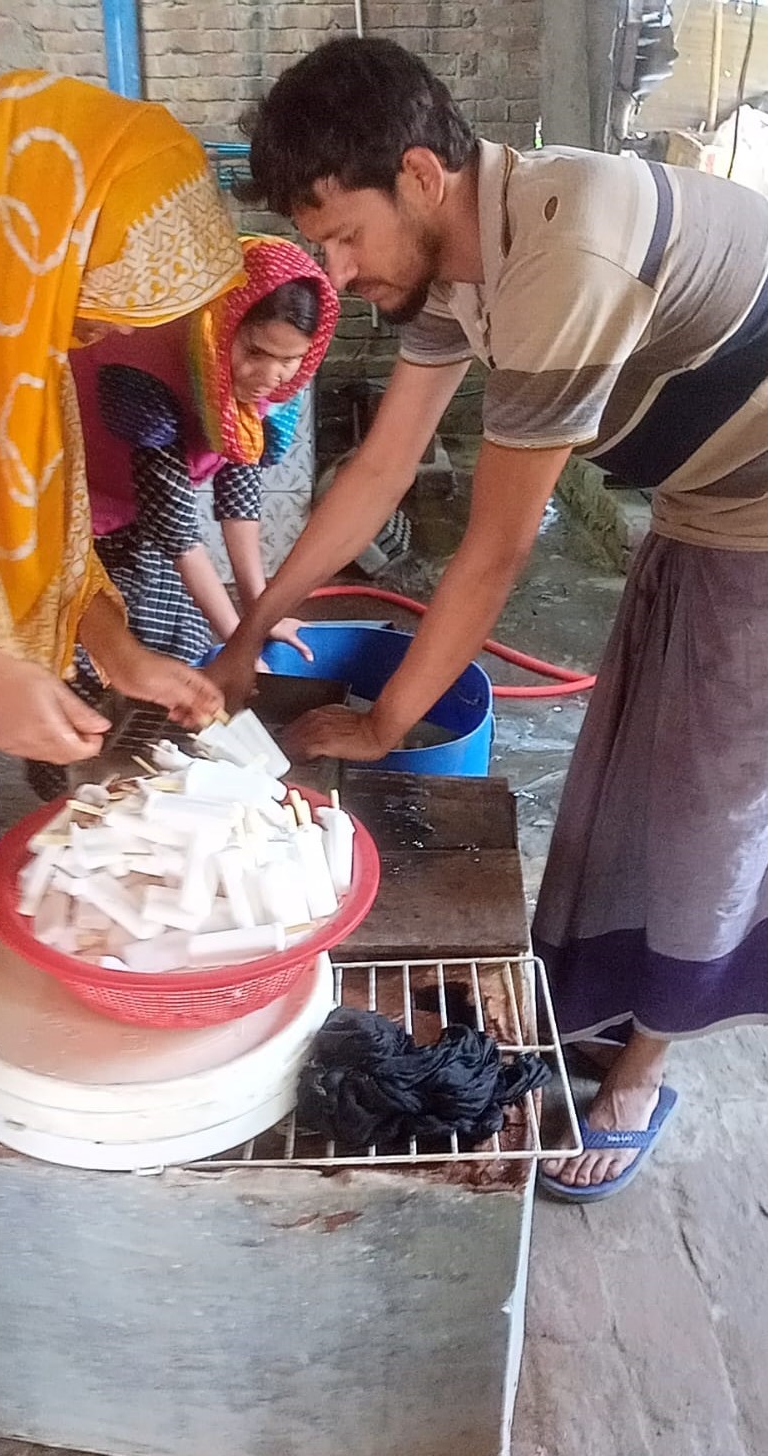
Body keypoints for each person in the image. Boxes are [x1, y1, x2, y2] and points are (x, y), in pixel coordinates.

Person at [207, 36, 768, 1199]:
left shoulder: (566, 249)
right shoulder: (460, 269)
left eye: (343, 233)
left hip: (754, 523)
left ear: (418, 175)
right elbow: (372, 475)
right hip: (704, 502)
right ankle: (625, 1001)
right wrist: (251, 634)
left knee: (711, 799)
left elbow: (496, 548)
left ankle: (639, 1076)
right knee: (633, 771)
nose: (337, 268)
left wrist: (385, 723)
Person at [0, 69, 240, 1122]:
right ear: (50, 230)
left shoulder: (13, 341)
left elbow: (44, 535)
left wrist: (117, 649)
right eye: (91, 300)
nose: (89, 334)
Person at [26, 236, 338, 803]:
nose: (269, 374)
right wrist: (240, 642)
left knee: (177, 641)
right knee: (82, 663)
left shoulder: (262, 389)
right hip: (71, 516)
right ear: (226, 324)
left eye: (288, 361)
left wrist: (258, 613)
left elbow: (238, 496)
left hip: (138, 516)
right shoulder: (146, 376)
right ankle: (65, 797)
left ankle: (150, 766)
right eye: (256, 352)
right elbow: (176, 533)